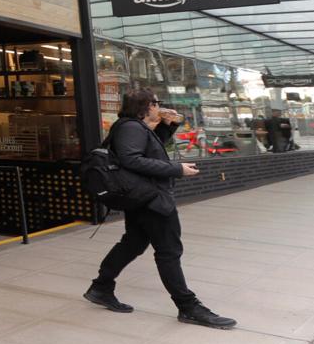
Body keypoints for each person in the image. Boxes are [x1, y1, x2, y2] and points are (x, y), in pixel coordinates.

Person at [84, 90, 238, 330]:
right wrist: (177, 169)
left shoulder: (134, 127)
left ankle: (101, 287)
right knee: (169, 252)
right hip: (151, 199)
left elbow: (150, 149)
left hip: (142, 198)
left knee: (132, 244)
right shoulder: (131, 127)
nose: (159, 107)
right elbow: (131, 159)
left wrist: (168, 126)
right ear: (146, 106)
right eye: (156, 103)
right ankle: (188, 307)